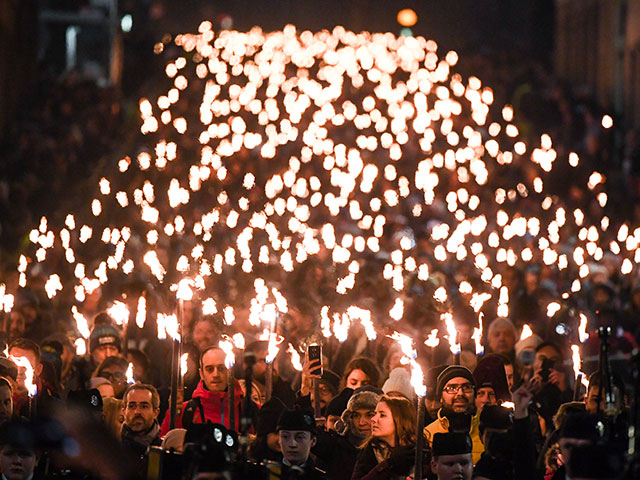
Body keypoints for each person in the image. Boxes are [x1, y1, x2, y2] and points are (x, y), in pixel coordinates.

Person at [159, 346, 249, 435]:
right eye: (210, 369)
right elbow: (166, 442)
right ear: (201, 374)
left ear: (230, 371)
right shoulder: (186, 411)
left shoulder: (249, 409)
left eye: (221, 368)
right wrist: (173, 415)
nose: (216, 374)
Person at [351, 394, 419, 480]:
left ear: (399, 420)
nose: (373, 419)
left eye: (382, 415)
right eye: (375, 414)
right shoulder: (369, 452)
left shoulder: (417, 452)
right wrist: (388, 464)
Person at [425, 366, 484, 464]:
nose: (460, 393)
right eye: (452, 388)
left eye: (466, 387)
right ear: (441, 397)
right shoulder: (428, 434)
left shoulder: (485, 430)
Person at [274, 409, 327, 479]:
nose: (292, 444)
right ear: (279, 439)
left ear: (313, 441)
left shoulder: (320, 477)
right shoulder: (265, 475)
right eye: (285, 436)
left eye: (299, 437)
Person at [120, 383, 162, 467]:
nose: (137, 412)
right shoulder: (112, 448)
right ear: (124, 411)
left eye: (144, 406)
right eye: (132, 406)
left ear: (155, 413)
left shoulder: (162, 451)